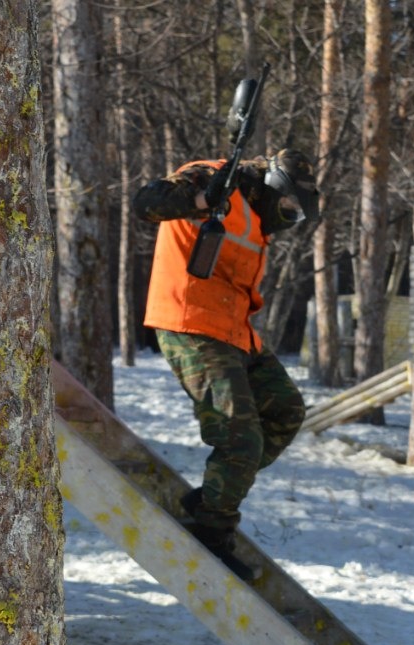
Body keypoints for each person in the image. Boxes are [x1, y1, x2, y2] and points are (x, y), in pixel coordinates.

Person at [132, 149, 319, 580]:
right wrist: (200, 200)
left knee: (286, 413)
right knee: (240, 439)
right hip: (190, 322)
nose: (287, 217)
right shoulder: (215, 179)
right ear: (274, 187)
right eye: (288, 207)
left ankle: (210, 500)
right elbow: (149, 201)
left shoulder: (255, 210)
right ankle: (211, 536)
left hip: (234, 330)